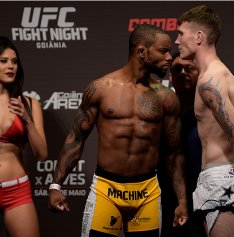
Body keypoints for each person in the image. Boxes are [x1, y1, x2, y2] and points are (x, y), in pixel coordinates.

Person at [48, 24, 188, 237]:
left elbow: (174, 153)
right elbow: (76, 137)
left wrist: (182, 201)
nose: (169, 57)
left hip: (147, 191)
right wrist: (56, 186)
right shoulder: (100, 89)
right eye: (163, 51)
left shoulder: (166, 98)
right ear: (141, 51)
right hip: (106, 189)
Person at [175, 5, 234, 237]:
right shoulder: (217, 74)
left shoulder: (210, 80)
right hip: (221, 177)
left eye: (180, 34)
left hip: (222, 181)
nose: (176, 41)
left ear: (199, 37)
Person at [0, 36, 48, 237]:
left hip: (16, 191)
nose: (10, 66)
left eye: (14, 61)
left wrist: (27, 120)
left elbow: (42, 155)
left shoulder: (29, 104)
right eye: (3, 61)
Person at [160, 51, 205, 237]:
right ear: (170, 76)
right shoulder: (159, 112)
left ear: (200, 73)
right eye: (177, 69)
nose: (183, 73)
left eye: (189, 68)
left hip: (204, 198)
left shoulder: (212, 113)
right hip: (166, 199)